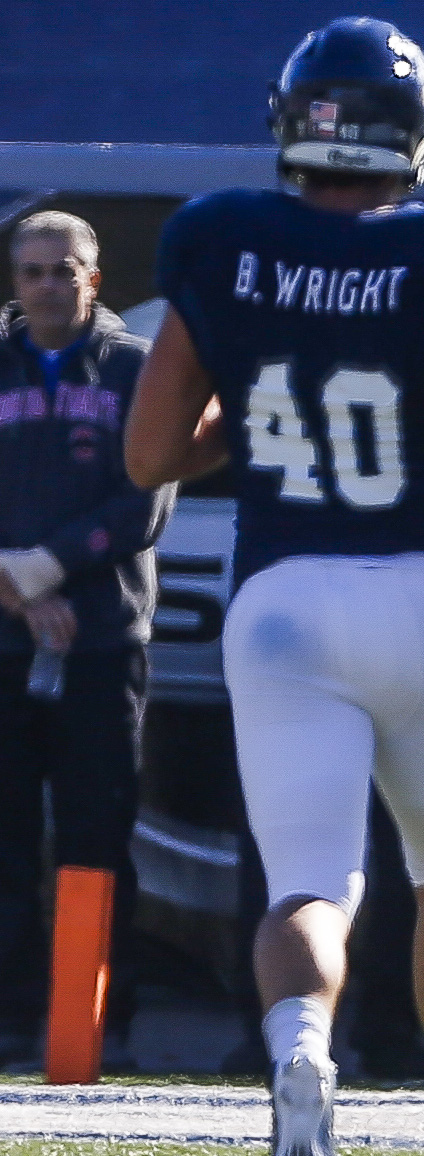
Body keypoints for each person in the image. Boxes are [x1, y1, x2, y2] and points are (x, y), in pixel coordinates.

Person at [123, 18, 424, 1156]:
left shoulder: (221, 237)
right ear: (414, 134)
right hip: (423, 589)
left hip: (284, 597)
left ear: (294, 120)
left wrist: (262, 417)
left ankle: (300, 1051)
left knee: (310, 883)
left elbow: (152, 453)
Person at [0, 210, 174, 1071]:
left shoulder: (136, 368)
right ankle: (10, 1019)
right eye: (30, 270)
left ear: (93, 279)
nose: (45, 285)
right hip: (3, 637)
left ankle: (100, 1022)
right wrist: (15, 584)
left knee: (97, 835)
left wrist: (47, 567)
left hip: (104, 637)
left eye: (62, 270)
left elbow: (145, 502)